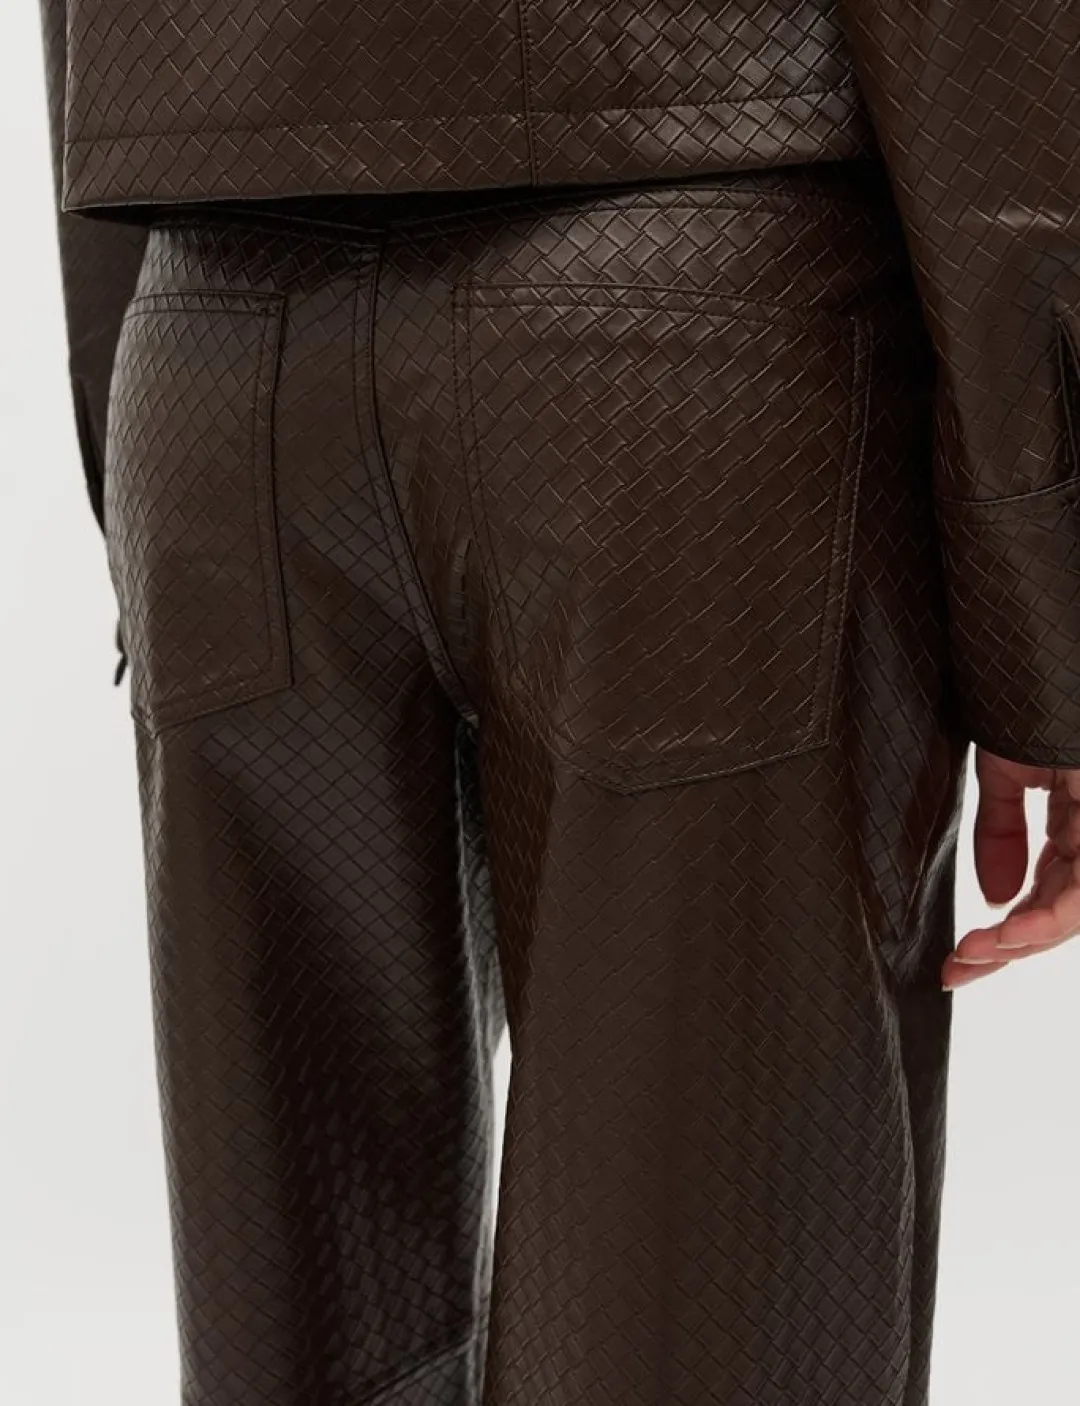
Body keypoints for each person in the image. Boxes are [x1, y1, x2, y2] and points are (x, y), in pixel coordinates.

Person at [35, 3, 1080, 1404]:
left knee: (307, 1334)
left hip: (213, 348)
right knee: (715, 1327)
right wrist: (1050, 610)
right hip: (685, 330)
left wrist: (134, 440)